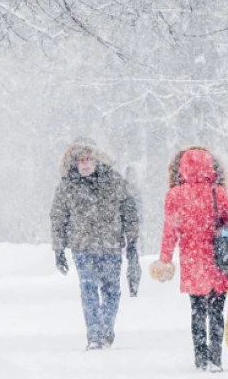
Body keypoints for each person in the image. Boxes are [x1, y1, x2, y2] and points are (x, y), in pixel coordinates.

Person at [152, 147, 228, 372]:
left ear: (181, 168)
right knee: (216, 312)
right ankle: (216, 359)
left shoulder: (175, 195)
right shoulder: (219, 192)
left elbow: (170, 231)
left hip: (193, 261)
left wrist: (165, 259)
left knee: (197, 311)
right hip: (218, 259)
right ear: (211, 167)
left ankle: (200, 358)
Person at [50, 140, 140, 350]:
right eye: (81, 160)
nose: (85, 164)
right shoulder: (67, 186)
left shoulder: (114, 181)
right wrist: (58, 249)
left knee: (111, 290)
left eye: (89, 159)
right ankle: (94, 336)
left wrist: (132, 239)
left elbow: (129, 210)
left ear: (96, 160)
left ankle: (106, 329)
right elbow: (58, 217)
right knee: (89, 290)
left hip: (110, 246)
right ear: (75, 164)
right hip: (83, 248)